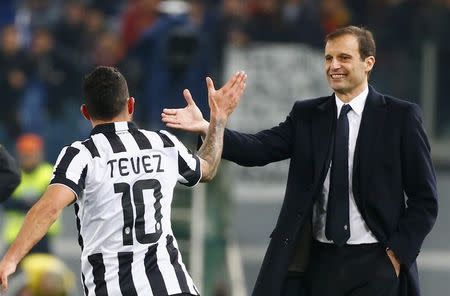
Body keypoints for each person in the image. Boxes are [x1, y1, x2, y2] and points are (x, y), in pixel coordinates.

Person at [161, 26, 438, 296]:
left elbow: (425, 200)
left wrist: (395, 257)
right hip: (319, 265)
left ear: (368, 63)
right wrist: (212, 125)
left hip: (377, 264)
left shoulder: (401, 117)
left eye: (344, 57)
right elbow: (258, 149)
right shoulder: (308, 115)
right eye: (328, 58)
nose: (334, 66)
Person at [0, 66, 246, 295]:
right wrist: (216, 121)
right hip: (174, 287)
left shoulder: (81, 155)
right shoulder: (163, 143)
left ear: (85, 112)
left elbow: (49, 209)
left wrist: (11, 259)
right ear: (131, 105)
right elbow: (208, 168)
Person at [2, 133, 60, 254]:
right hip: (15, 236)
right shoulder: (13, 174)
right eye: (24, 154)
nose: (27, 157)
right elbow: (7, 203)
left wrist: (22, 204)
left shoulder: (49, 172)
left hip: (43, 236)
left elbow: (52, 201)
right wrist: (35, 203)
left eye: (31, 153)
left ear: (39, 153)